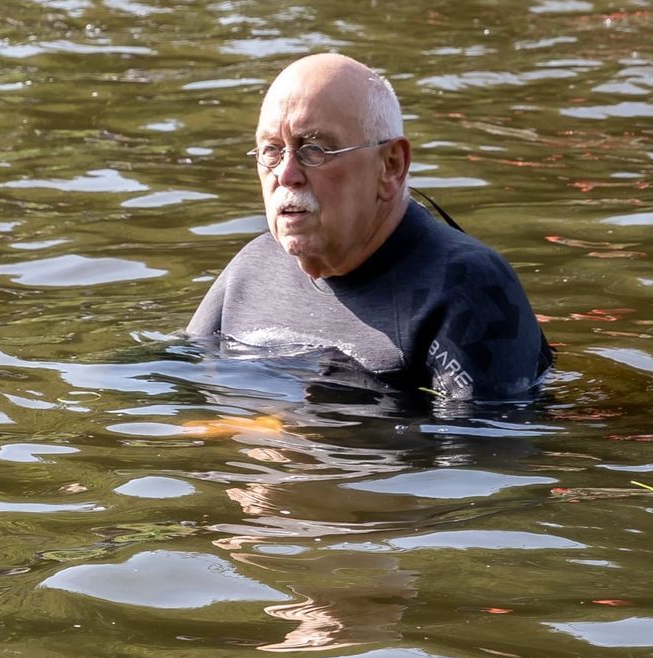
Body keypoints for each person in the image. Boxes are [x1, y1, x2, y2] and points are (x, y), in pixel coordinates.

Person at [185, 52, 552, 401]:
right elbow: (171, 379)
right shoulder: (254, 266)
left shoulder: (468, 288)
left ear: (390, 166)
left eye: (314, 149)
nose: (286, 174)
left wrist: (291, 430)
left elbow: (481, 451)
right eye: (271, 151)